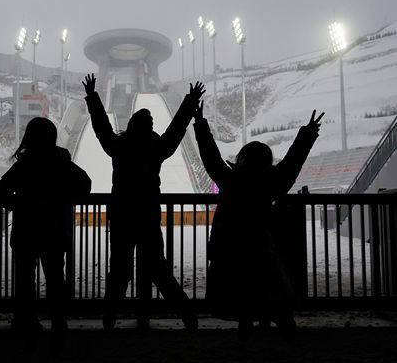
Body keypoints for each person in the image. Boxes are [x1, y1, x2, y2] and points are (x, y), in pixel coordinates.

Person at [82, 73, 204, 331]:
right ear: (149, 127)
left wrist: (93, 97)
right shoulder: (156, 148)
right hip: (147, 215)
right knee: (158, 270)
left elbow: (101, 128)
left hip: (122, 215)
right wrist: (191, 101)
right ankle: (188, 316)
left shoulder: (119, 146)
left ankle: (109, 319)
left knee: (119, 271)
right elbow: (176, 129)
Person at [193, 101, 324, 340]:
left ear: (242, 159)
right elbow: (292, 164)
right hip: (259, 244)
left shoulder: (230, 180)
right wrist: (307, 135)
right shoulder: (271, 182)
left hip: (230, 245)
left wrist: (200, 125)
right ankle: (281, 323)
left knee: (239, 288)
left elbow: (210, 157)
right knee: (270, 284)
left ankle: (246, 324)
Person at [0, 117, 91, 349]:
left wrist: (16, 204)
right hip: (55, 232)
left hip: (26, 232)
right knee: (56, 280)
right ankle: (59, 325)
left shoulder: (25, 164)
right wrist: (64, 199)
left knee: (25, 281)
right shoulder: (61, 163)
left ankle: (27, 323)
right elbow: (85, 184)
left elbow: (1, 187)